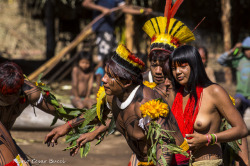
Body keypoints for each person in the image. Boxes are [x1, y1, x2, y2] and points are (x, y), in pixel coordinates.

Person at [45, 44, 188, 165]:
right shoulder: (114, 96)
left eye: (110, 76)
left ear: (126, 82)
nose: (104, 80)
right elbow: (98, 114)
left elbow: (164, 145)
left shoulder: (147, 104)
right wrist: (68, 126)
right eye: (106, 74)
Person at [169, 45, 248, 165]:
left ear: (194, 65)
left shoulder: (214, 92)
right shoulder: (177, 95)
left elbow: (241, 129)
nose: (178, 72)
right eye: (174, 68)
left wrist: (208, 138)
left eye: (183, 66)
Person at [0, 61, 61, 164]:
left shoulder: (29, 93)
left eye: (15, 94)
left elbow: (62, 112)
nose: (12, 98)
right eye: (6, 96)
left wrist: (71, 124)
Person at [82, 0, 152, 61]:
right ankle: (100, 73)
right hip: (102, 28)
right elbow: (86, 3)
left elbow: (125, 8)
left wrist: (142, 11)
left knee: (113, 55)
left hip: (110, 29)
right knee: (104, 57)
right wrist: (102, 9)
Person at [217, 37, 250, 117]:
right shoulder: (239, 60)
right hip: (241, 95)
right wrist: (234, 49)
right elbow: (221, 60)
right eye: (246, 49)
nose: (248, 51)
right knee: (235, 105)